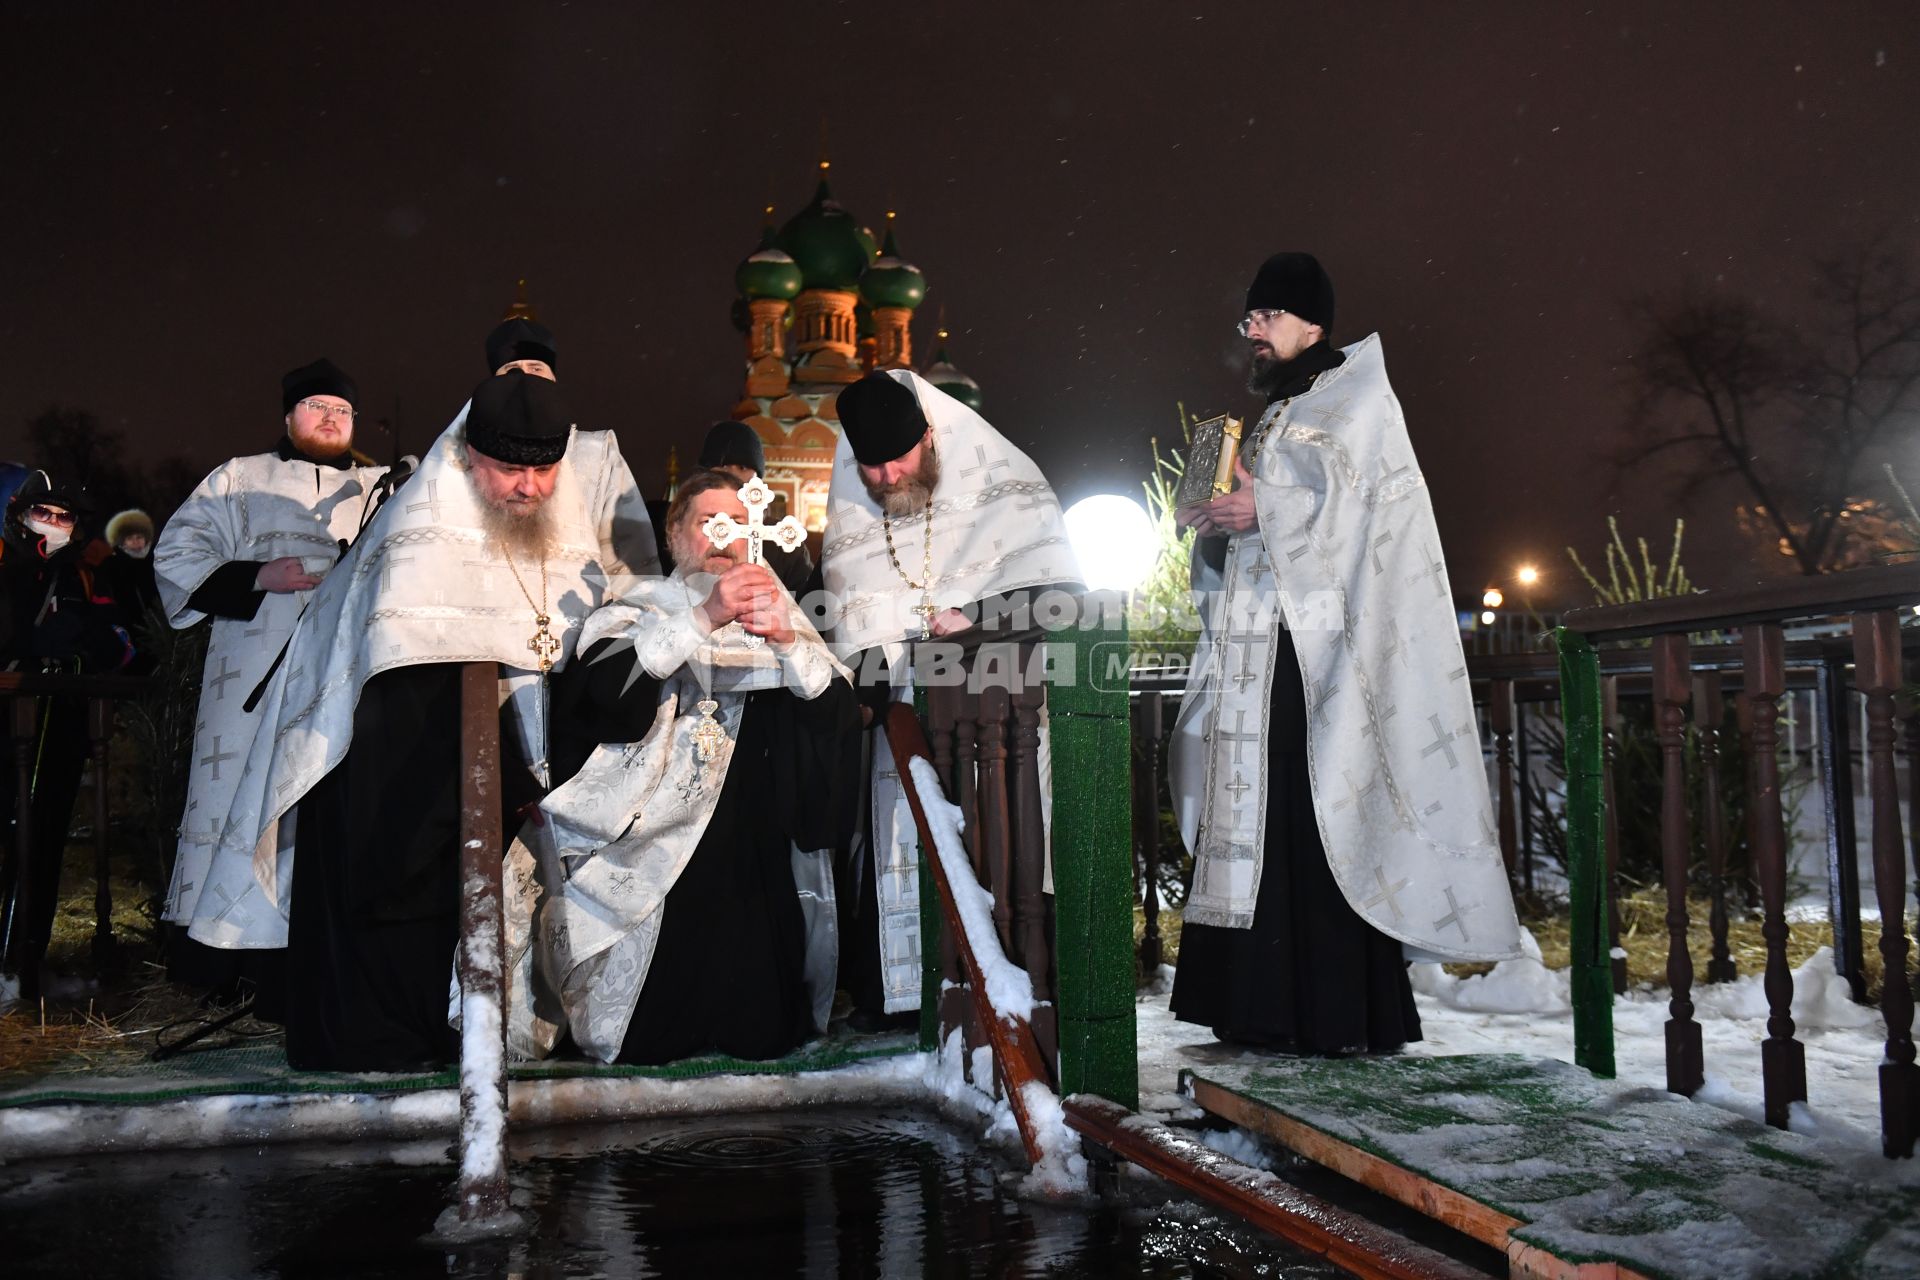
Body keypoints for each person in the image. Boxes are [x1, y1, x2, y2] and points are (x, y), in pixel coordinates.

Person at [182, 370, 658, 1070]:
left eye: (545, 470)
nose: (528, 488)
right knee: (400, 978)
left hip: (497, 781)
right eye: (508, 471)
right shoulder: (419, 537)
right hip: (397, 782)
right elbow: (406, 684)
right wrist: (506, 775)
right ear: (469, 459)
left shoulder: (558, 530)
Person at [1169, 252, 1520, 1055]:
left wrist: (1270, 503)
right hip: (1264, 654)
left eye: (1265, 317)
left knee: (1317, 814)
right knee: (1267, 812)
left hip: (1327, 662)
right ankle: (1254, 1006)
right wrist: (1222, 523)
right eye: (1248, 319)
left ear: (1311, 324)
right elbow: (1278, 521)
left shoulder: (1358, 401)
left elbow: (1364, 520)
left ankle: (1331, 1012)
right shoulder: (1284, 410)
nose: (1251, 331)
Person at [505, 469, 859, 1064]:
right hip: (650, 847)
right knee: (652, 1038)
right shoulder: (636, 609)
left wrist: (789, 647)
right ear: (675, 534)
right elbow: (600, 704)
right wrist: (702, 618)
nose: (725, 540)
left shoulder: (786, 617)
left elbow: (834, 721)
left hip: (752, 847)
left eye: (739, 526)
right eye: (709, 523)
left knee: (764, 1032)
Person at [820, 370, 1082, 1025]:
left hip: (1000, 705)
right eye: (870, 466)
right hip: (909, 720)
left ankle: (1015, 989)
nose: (884, 479)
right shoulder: (858, 503)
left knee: (1006, 842)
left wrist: (977, 618)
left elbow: (1059, 593)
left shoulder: (1003, 481)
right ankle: (905, 998)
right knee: (898, 844)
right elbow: (858, 620)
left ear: (930, 437)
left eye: (898, 459)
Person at [151, 358, 385, 1003]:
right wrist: (259, 576)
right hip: (252, 672)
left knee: (331, 802)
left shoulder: (382, 489)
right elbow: (176, 554)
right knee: (240, 800)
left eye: (342, 410)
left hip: (346, 670)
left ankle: (319, 967)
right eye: (317, 407)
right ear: (288, 416)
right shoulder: (238, 478)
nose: (331, 418)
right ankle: (230, 966)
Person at [0, 477, 134, 990]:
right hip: (11, 721)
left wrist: (80, 642)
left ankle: (27, 962)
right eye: (44, 513)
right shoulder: (10, 572)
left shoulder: (82, 578)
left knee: (46, 840)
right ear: (19, 514)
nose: (54, 524)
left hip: (62, 723)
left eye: (64, 517)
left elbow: (122, 644)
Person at [695, 418, 812, 591]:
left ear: (757, 477)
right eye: (724, 466)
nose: (733, 476)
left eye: (743, 467)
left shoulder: (783, 540)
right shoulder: (690, 532)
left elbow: (808, 605)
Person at [104, 508, 160, 623]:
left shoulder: (158, 555)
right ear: (122, 542)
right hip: (136, 620)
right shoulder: (115, 565)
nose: (135, 541)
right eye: (129, 538)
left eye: (139, 537)